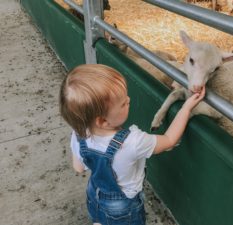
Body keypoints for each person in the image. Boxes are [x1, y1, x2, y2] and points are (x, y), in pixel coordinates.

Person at [59, 64, 205, 225]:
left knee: (100, 219)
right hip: (123, 208)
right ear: (103, 121)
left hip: (95, 195)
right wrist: (186, 108)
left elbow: (79, 168)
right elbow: (169, 140)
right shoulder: (133, 142)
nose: (128, 100)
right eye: (122, 103)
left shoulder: (79, 133)